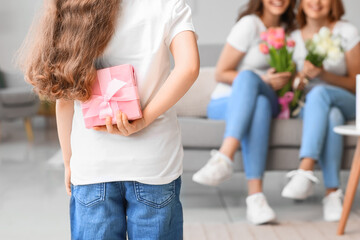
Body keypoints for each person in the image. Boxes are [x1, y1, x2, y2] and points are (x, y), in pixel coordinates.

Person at [19, 0, 199, 239]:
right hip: (154, 163)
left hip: (94, 165)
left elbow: (64, 98)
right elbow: (189, 67)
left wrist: (69, 160)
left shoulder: (73, 4)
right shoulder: (168, 5)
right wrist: (143, 120)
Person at [192, 0, 296, 225]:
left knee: (258, 94)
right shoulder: (250, 25)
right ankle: (256, 198)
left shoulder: (293, 32)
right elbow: (221, 73)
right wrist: (263, 79)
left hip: (274, 97)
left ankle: (223, 160)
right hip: (227, 101)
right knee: (256, 96)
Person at [281, 0, 360, 222]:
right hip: (311, 107)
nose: (316, 2)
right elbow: (292, 85)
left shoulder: (347, 32)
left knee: (320, 94)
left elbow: (357, 83)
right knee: (331, 115)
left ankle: (305, 169)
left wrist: (323, 76)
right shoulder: (293, 37)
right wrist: (301, 78)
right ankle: (332, 193)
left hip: (347, 99)